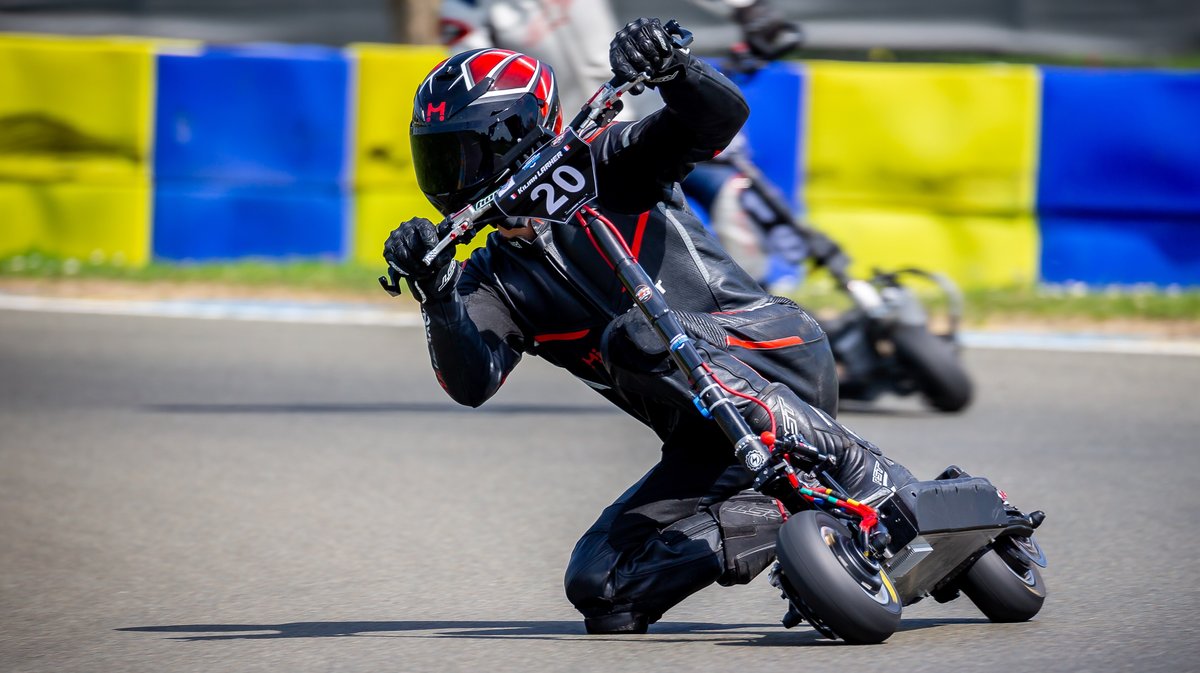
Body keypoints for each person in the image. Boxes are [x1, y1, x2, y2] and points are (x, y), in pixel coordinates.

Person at [384, 17, 915, 634]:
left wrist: (674, 70)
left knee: (633, 336)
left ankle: (848, 458)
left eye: (460, 154)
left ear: (513, 138)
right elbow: (470, 382)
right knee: (602, 589)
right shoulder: (492, 278)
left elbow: (716, 121)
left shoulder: (609, 160)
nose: (446, 179)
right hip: (709, 440)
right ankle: (776, 514)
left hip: (769, 351)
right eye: (436, 158)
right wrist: (439, 292)